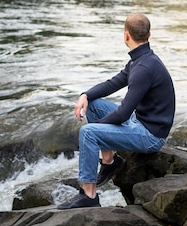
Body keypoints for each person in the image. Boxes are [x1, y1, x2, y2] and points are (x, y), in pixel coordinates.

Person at [57, 13, 176, 209]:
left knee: (88, 133)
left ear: (126, 35)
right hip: (141, 123)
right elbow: (114, 83)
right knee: (93, 104)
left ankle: (89, 195)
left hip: (150, 136)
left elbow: (122, 114)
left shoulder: (144, 68)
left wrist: (96, 130)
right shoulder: (141, 60)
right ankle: (109, 161)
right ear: (149, 34)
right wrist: (85, 95)